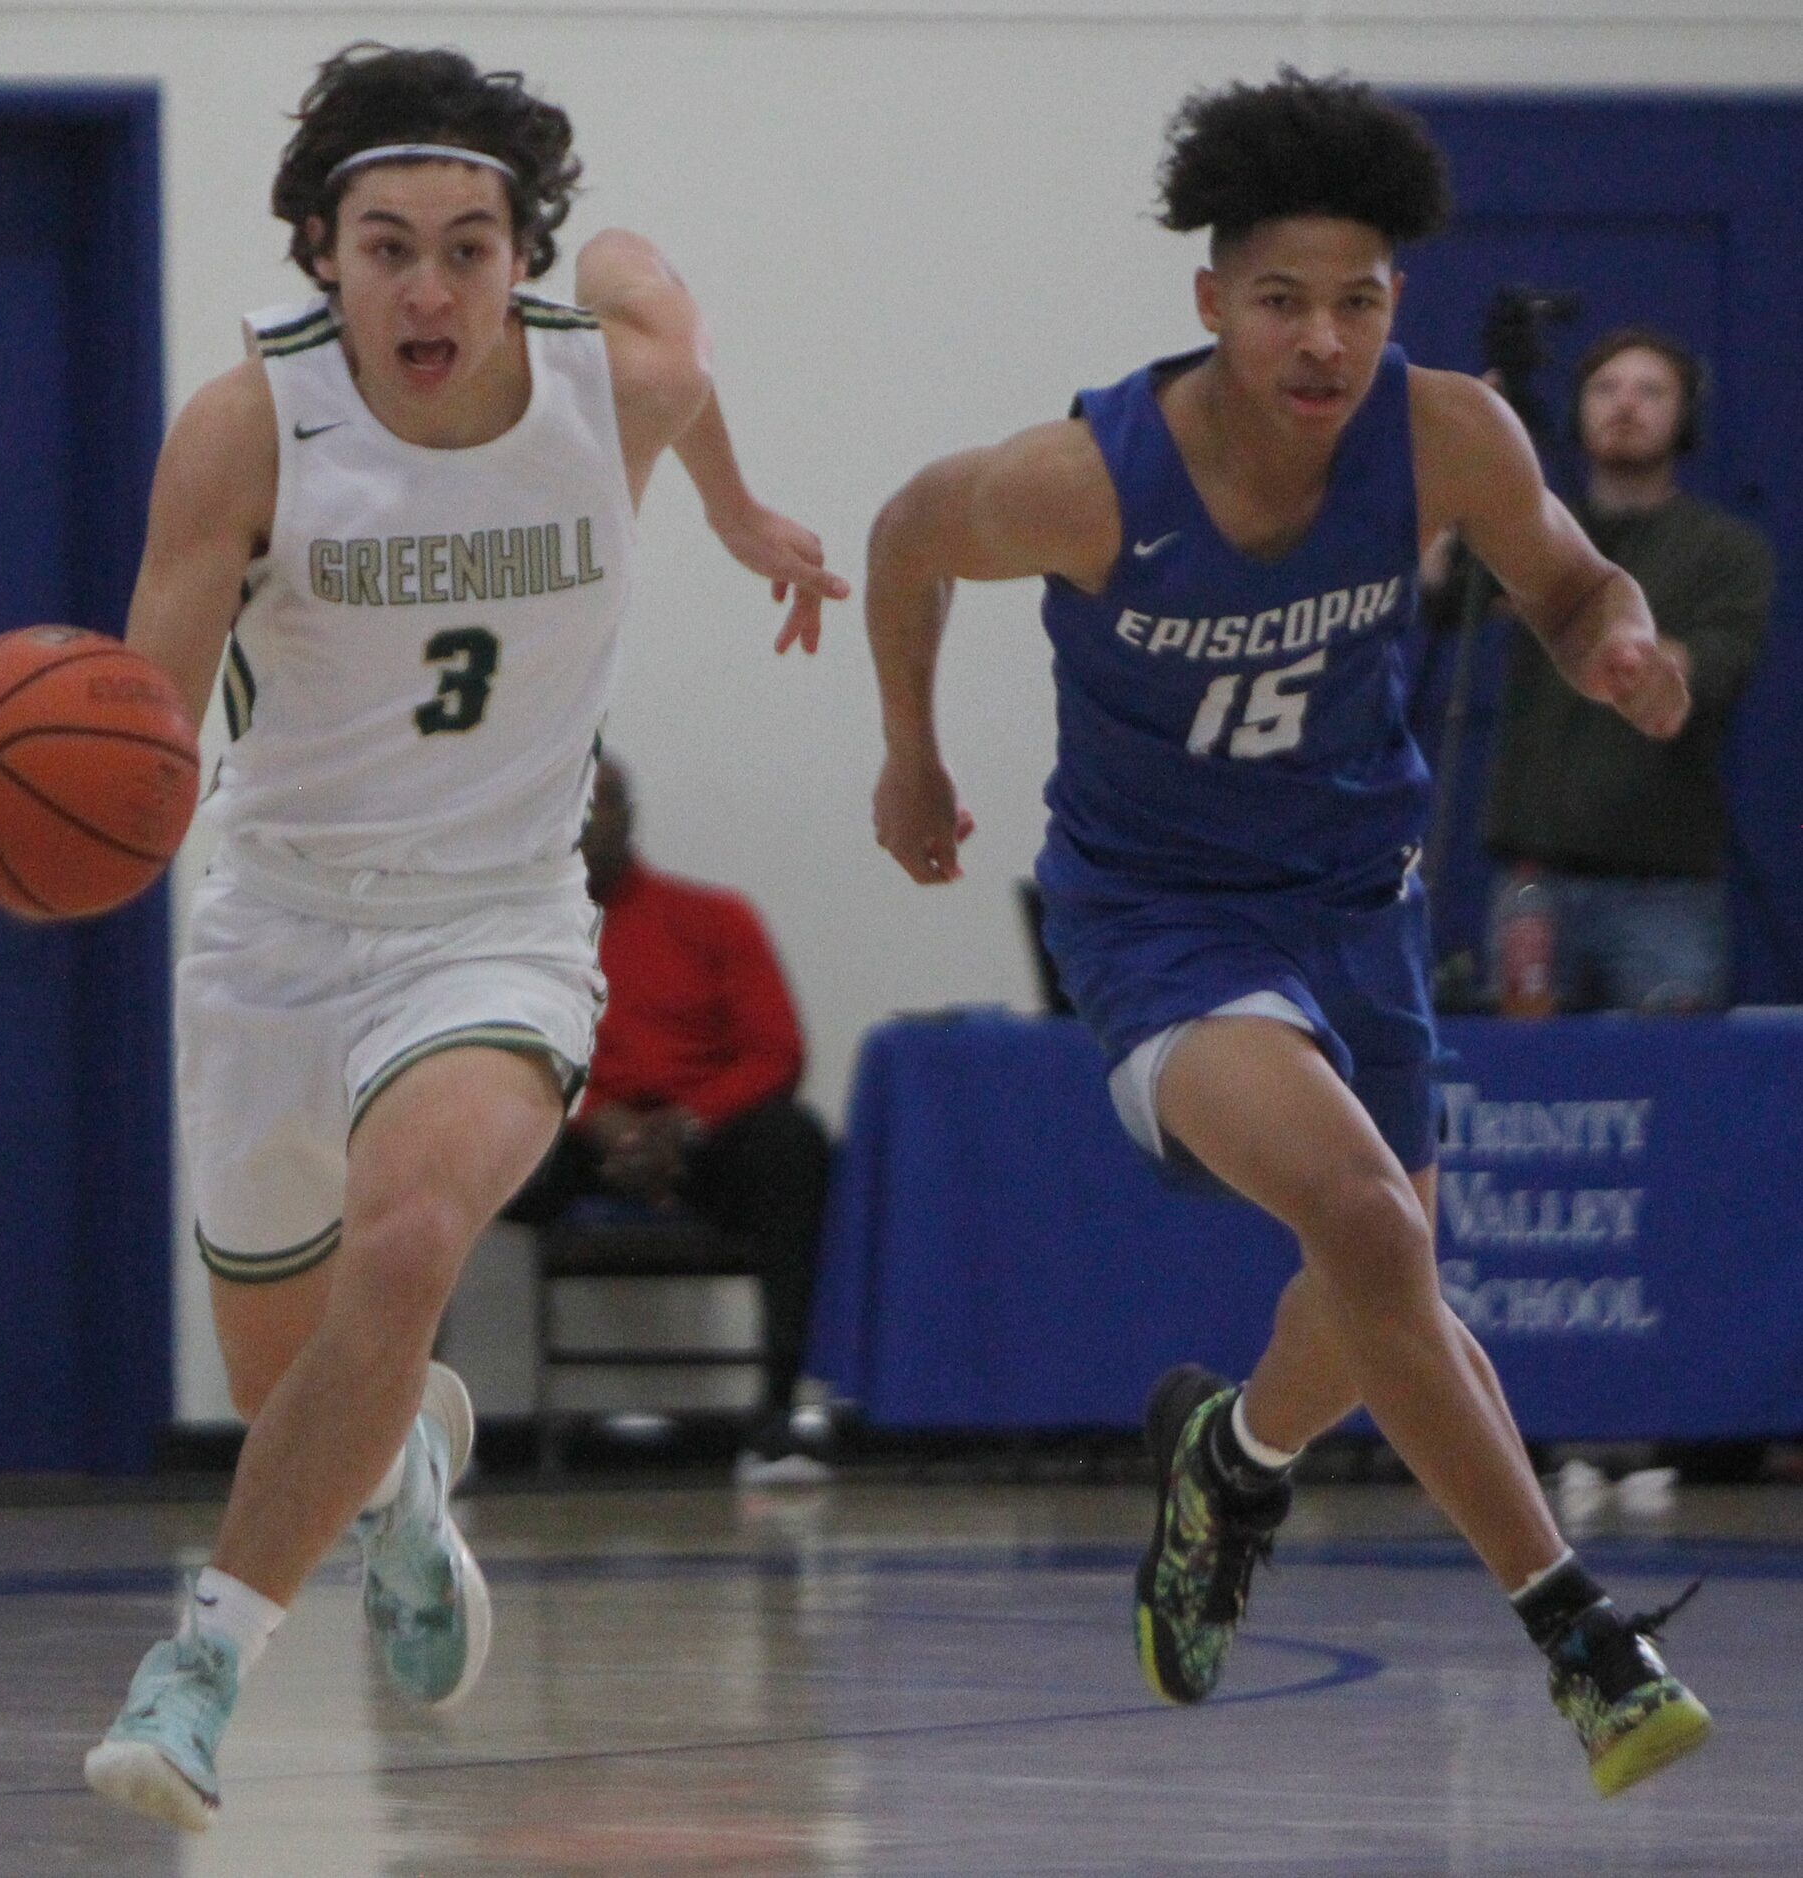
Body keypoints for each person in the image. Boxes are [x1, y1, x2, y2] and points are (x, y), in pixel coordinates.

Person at [861, 70, 1709, 1798]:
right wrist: (913, 751)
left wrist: (1616, 642)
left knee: (1371, 1274)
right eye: (1280, 301)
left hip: (1355, 901)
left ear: (1395, 301)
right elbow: (903, 535)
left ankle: (1233, 1462)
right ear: (1210, 303)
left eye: (1359, 299)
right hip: (1161, 920)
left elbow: (1565, 581)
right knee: (1371, 1222)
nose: (1323, 340)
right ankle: (1580, 1633)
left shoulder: (1449, 432)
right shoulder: (1091, 480)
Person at [84, 42, 845, 1832]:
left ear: (523, 256)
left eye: (469, 243)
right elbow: (144, 733)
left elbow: (670, 310)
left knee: (413, 1229)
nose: (429, 285)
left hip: (494, 923)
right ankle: (406, 1472)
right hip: (275, 923)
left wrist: (731, 508)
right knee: (308, 1387)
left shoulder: (610, 386)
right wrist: (85, 819)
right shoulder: (245, 424)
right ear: (321, 255)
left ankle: (199, 1663)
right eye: (386, 245)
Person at [506, 754, 835, 1484]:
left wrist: (685, 1123)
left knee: (794, 1143)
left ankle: (779, 1415)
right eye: (578, 808)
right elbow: (506, 1055)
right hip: (579, 1139)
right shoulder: (513, 935)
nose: (594, 823)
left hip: (703, 1141)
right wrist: (591, 1119)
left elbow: (776, 1052)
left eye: (609, 805)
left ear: (633, 815)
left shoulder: (714, 919)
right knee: (455, 1149)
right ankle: (425, 1426)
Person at [1483, 326, 1774, 1011]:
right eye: (1606, 388)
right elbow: (1438, 599)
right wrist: (1466, 468)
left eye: (1651, 391)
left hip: (1664, 888)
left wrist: (1620, 642)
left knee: (1678, 1091)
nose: (1626, 404)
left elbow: (1717, 669)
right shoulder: (1532, 531)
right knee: (1522, 1094)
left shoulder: (1728, 550)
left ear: (1686, 416)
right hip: (1534, 880)